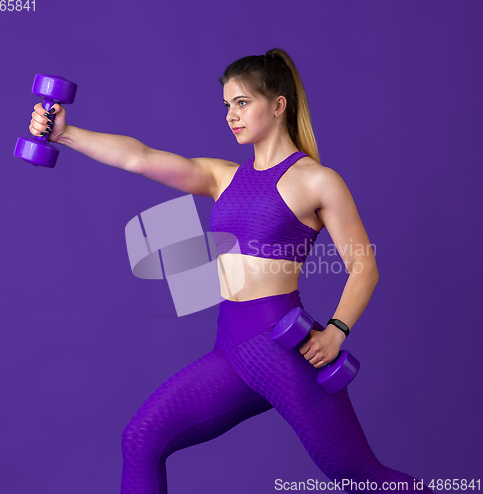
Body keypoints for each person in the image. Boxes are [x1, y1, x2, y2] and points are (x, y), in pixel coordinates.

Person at [29, 48, 432, 494]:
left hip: (285, 352)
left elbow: (364, 266)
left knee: (363, 478)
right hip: (233, 351)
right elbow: (138, 157)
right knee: (141, 439)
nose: (231, 116)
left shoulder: (317, 181)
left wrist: (336, 330)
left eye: (242, 103)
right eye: (227, 105)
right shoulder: (224, 177)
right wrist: (65, 135)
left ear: (278, 105)